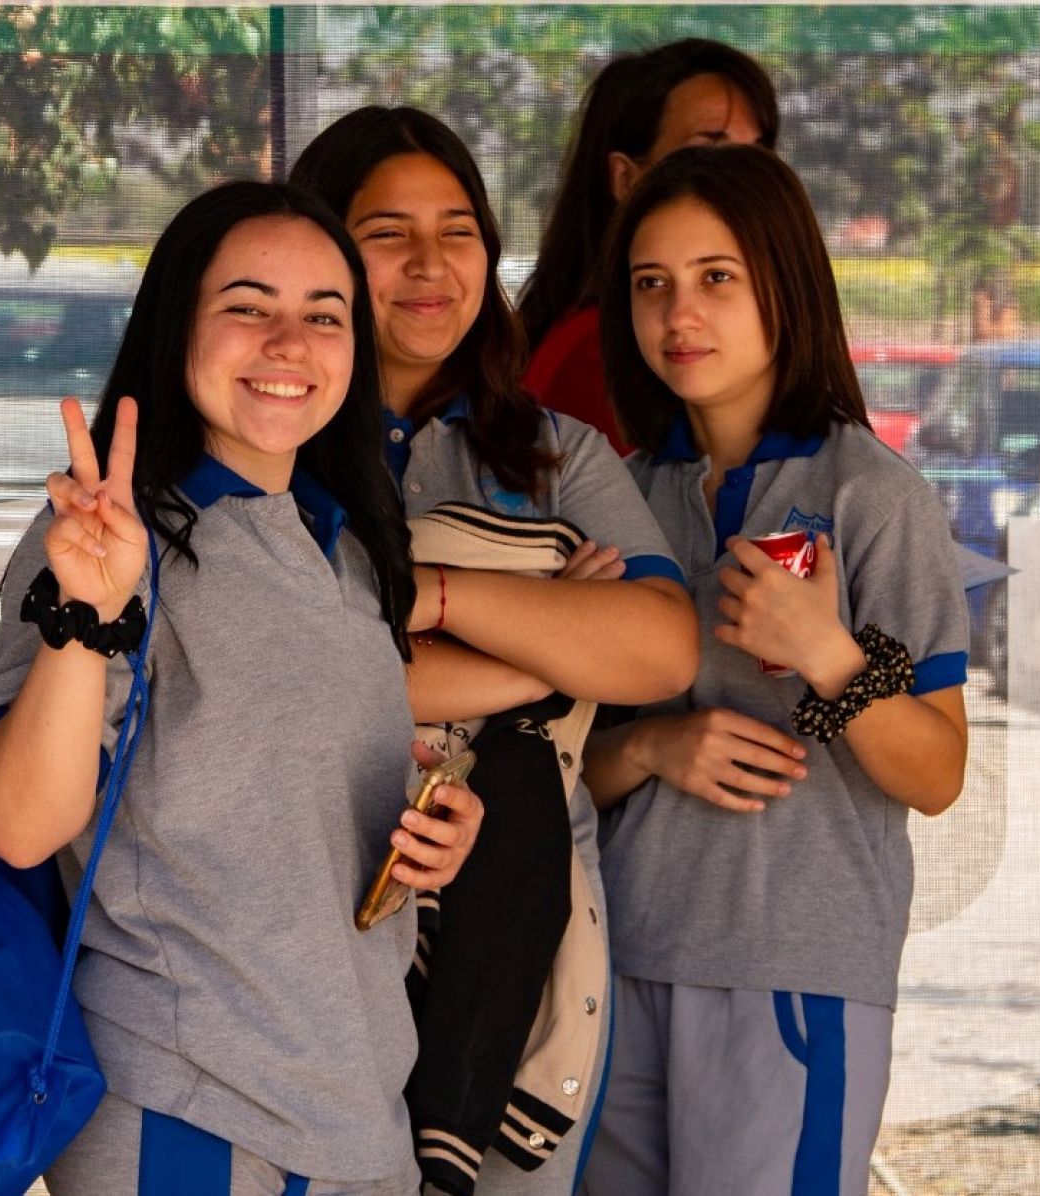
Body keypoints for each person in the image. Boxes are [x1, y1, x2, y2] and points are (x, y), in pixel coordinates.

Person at [0, 180, 485, 1195]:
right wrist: (88, 609)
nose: (289, 341)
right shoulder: (115, 538)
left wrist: (439, 839)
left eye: (324, 315)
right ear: (178, 326)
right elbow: (24, 825)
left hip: (359, 1108)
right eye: (248, 305)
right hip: (189, 1113)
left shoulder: (342, 541)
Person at [290, 106, 697, 1195]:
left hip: (524, 960)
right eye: (387, 232)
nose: (431, 264)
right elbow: (311, 674)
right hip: (304, 916)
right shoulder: (271, 440)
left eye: (458, 228)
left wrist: (433, 593)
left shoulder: (556, 452)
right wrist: (549, 642)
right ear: (314, 244)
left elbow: (658, 650)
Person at [581, 144, 970, 1195]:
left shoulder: (871, 494)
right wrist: (655, 745)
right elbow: (561, 761)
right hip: (613, 966)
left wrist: (826, 651)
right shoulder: (619, 493)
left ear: (785, 287)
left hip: (791, 972)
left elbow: (938, 773)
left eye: (717, 278)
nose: (678, 315)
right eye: (651, 284)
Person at [520, 39, 779, 451]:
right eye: (709, 152)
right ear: (625, 178)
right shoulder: (601, 350)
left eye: (758, 156)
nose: (743, 185)